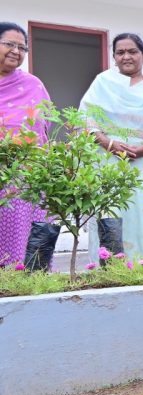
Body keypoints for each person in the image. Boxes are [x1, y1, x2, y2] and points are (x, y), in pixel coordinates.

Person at [80, 33, 143, 259]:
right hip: (108, 161)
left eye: (132, 51)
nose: (126, 56)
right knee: (109, 212)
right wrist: (110, 143)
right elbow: (85, 121)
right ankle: (107, 268)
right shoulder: (103, 83)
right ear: (114, 57)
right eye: (120, 52)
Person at [0, 22, 51, 267]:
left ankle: (22, 281)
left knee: (23, 236)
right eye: (9, 44)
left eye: (22, 47)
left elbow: (45, 128)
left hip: (26, 176)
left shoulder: (33, 84)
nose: (16, 51)